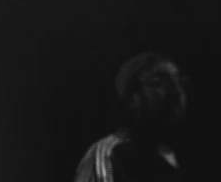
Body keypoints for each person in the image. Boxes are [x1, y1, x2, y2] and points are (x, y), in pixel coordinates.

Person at [74, 52, 190, 181]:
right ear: (132, 98)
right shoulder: (111, 154)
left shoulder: (175, 159)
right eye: (157, 82)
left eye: (178, 81)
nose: (175, 91)